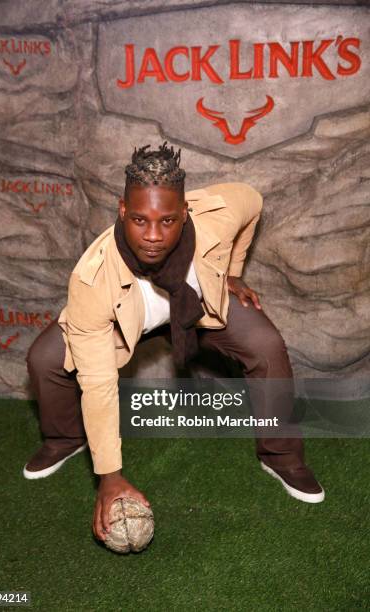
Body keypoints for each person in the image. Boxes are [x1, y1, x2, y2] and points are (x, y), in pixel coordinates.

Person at [23, 142, 324, 542]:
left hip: (198, 307)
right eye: (138, 220)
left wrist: (233, 272)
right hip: (126, 317)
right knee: (45, 358)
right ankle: (66, 438)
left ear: (185, 213)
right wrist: (109, 477)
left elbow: (252, 201)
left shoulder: (218, 215)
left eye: (167, 221)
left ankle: (280, 454)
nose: (152, 236)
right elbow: (98, 384)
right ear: (121, 210)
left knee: (266, 345)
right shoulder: (92, 279)